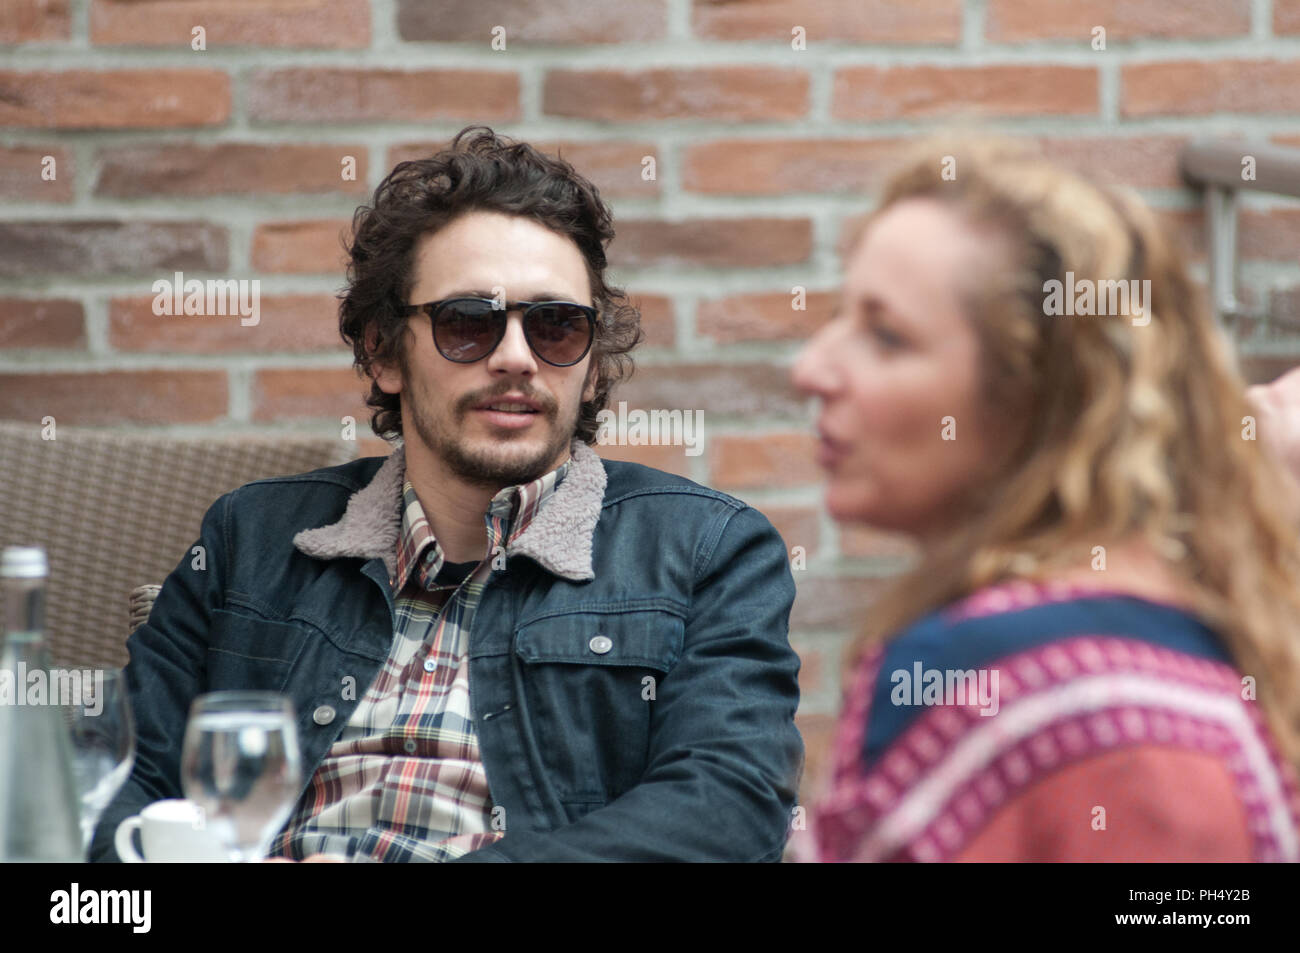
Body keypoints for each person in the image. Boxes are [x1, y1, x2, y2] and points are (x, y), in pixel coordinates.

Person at [90, 126, 803, 863]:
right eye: (468, 322)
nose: (516, 358)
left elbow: (727, 806)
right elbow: (126, 782)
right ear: (382, 349)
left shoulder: (708, 550)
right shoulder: (252, 536)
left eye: (558, 326)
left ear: (591, 368)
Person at [791, 139, 1300, 862]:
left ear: (1032, 398)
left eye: (886, 335)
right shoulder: (1207, 646)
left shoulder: (989, 672)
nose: (811, 369)